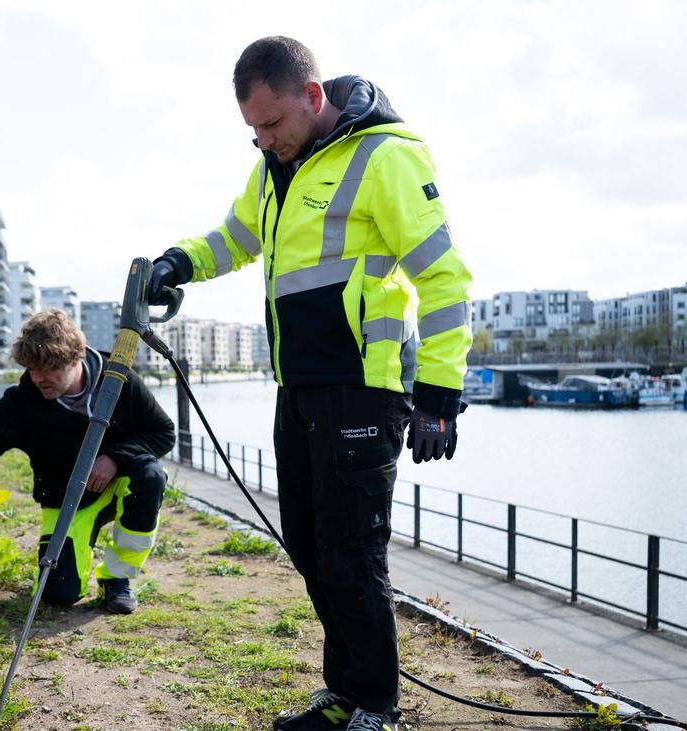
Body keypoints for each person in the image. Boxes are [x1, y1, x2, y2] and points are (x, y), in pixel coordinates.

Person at [145, 36, 472, 731]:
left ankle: (376, 705)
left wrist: (441, 395)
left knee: (353, 555)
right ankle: (345, 692)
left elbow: (445, 277)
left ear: (312, 96)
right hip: (298, 390)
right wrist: (179, 260)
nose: (263, 140)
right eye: (253, 129)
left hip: (364, 387)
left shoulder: (385, 155)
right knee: (312, 548)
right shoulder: (273, 169)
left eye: (272, 124)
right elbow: (233, 237)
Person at [0, 310, 175, 615]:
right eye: (33, 369)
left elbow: (163, 432)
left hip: (118, 483)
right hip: (67, 500)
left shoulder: (119, 379)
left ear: (76, 359)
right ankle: (74, 559)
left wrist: (114, 458)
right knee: (58, 594)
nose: (40, 379)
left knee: (150, 475)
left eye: (50, 368)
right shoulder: (23, 403)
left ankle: (117, 577)